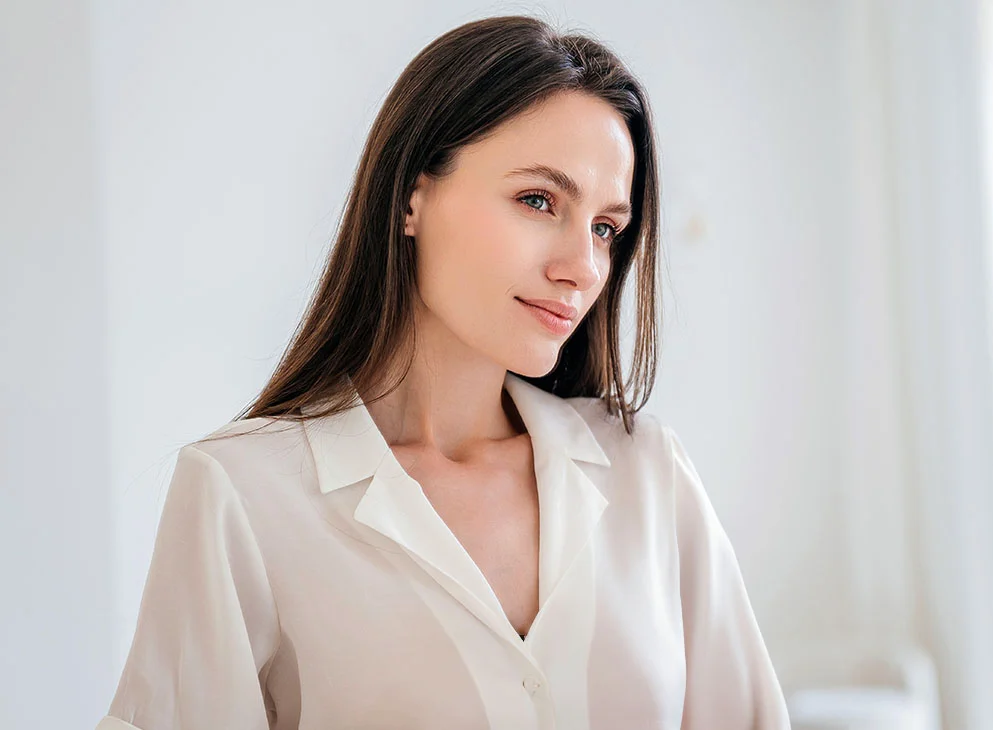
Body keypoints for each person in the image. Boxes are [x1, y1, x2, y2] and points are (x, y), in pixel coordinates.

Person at [96, 14, 790, 730]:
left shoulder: (648, 474)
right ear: (410, 199)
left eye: (605, 228)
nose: (582, 267)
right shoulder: (244, 496)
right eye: (538, 200)